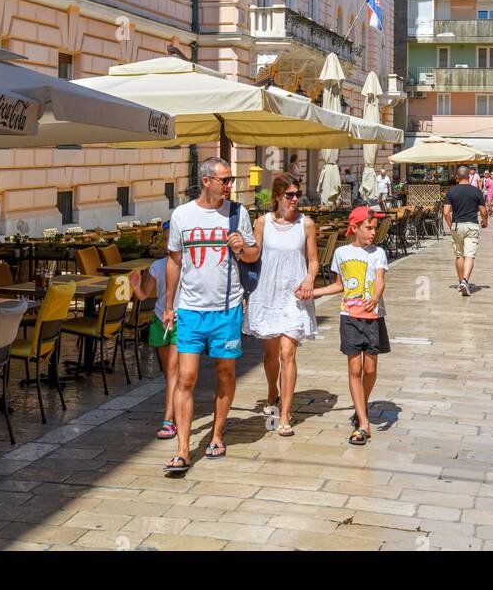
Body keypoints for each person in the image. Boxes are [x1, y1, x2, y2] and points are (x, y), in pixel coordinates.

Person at [161, 158, 258, 475]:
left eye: (230, 180)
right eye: (225, 180)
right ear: (206, 181)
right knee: (185, 377)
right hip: (190, 309)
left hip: (227, 308)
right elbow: (174, 261)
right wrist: (168, 304)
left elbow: (255, 255)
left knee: (225, 374)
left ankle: (216, 435)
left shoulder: (237, 213)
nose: (230, 185)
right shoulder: (182, 215)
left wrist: (242, 247)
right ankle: (183, 450)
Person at [245, 173, 318, 436]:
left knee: (288, 352)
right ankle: (271, 391)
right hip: (267, 294)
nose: (296, 199)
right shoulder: (262, 222)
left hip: (295, 295)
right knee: (270, 354)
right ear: (277, 196)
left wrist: (310, 278)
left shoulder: (306, 224)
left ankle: (285, 414)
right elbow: (254, 255)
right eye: (290, 195)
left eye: (297, 194)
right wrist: (240, 249)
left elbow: (313, 260)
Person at [311, 205, 388, 445]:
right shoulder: (341, 253)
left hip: (373, 316)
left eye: (374, 228)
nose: (373, 232)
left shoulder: (378, 253)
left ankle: (360, 405)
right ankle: (363, 423)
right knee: (355, 369)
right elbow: (340, 285)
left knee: (370, 370)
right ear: (354, 228)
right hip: (349, 316)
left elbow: (379, 280)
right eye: (368, 228)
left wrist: (375, 298)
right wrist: (313, 293)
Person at [128, 221, 180, 440]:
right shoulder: (157, 267)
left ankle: (169, 421)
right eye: (166, 239)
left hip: (181, 321)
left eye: (172, 239)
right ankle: (176, 411)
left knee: (174, 372)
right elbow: (143, 296)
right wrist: (136, 286)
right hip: (159, 321)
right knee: (169, 373)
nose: (169, 243)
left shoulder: (188, 266)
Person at [443, 164, 488, 296]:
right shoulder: (476, 191)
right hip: (471, 225)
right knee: (470, 254)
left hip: (457, 225)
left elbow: (446, 212)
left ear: (457, 177)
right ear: (469, 176)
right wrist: (485, 222)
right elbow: (483, 211)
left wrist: (451, 225)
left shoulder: (451, 192)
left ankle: (460, 281)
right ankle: (465, 280)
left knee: (459, 255)